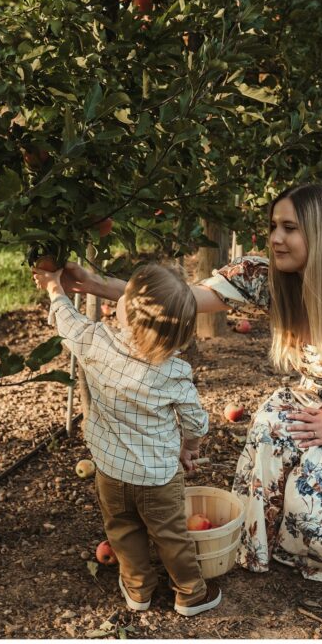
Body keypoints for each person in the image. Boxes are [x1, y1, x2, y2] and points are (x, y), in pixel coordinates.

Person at [48, 184, 322, 586]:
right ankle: (272, 539)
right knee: (266, 437)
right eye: (274, 226)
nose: (276, 238)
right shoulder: (272, 277)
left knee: (316, 505)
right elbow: (177, 301)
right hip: (318, 396)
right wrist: (95, 283)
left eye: (290, 228)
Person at [32, 262, 223, 615]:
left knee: (122, 531)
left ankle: (138, 591)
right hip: (158, 478)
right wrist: (189, 447)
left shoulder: (95, 343)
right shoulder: (175, 371)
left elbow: (67, 322)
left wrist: (54, 287)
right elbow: (195, 421)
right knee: (171, 536)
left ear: (126, 314)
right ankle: (190, 593)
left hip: (110, 471)